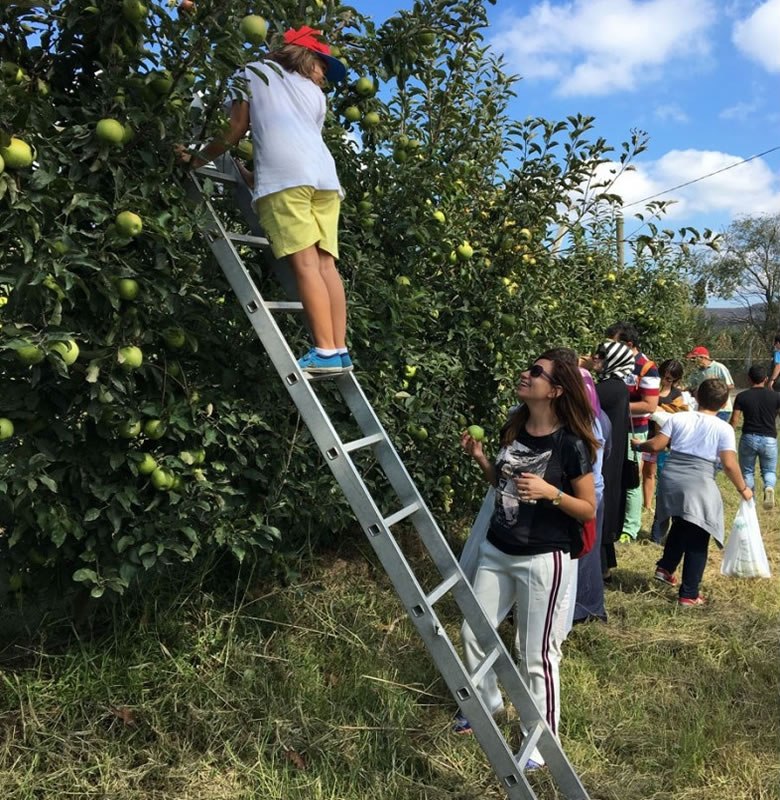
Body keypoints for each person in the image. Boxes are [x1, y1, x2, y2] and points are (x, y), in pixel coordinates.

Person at [181, 26, 351, 374]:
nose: (322, 73)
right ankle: (339, 348)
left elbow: (237, 128)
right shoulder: (315, 95)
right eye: (320, 62)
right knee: (325, 265)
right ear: (303, 57)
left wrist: (198, 159)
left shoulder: (250, 72)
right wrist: (254, 178)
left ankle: (324, 350)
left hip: (288, 181)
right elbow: (300, 143)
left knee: (304, 264)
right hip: (325, 180)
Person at [456, 351, 597, 770]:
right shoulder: (515, 427)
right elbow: (503, 484)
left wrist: (551, 493)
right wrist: (482, 458)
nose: (525, 374)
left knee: (534, 653)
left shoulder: (570, 444)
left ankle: (539, 744)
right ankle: (488, 705)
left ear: (555, 390)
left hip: (543, 559)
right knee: (473, 630)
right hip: (498, 549)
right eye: (528, 368)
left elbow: (588, 508)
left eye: (536, 372)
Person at [633, 379, 752, 606]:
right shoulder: (723, 428)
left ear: (697, 397)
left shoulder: (678, 418)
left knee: (682, 522)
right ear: (725, 402)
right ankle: (689, 593)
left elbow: (657, 445)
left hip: (671, 479)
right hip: (698, 481)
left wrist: (639, 445)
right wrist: (743, 489)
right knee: (699, 534)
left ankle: (665, 567)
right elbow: (728, 463)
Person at [605, 322, 660, 542]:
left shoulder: (647, 368)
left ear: (628, 345)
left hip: (633, 431)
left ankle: (630, 528)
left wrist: (614, 404)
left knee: (631, 477)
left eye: (614, 344)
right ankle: (613, 523)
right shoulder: (611, 364)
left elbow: (649, 405)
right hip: (610, 428)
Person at [592, 340, 633, 579]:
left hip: (606, 456)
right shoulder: (616, 386)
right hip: (612, 453)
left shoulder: (609, 389)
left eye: (601, 354)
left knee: (601, 505)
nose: (595, 357)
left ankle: (601, 567)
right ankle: (604, 565)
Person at [648, 359, 689, 543]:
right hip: (646, 440)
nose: (666, 381)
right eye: (663, 377)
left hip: (667, 447)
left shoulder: (677, 396)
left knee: (664, 489)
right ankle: (648, 508)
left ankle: (659, 534)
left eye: (670, 379)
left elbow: (680, 417)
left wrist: (657, 410)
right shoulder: (649, 390)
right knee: (647, 475)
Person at [730, 364, 780, 509]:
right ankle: (769, 487)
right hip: (769, 438)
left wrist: (729, 432)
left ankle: (750, 499)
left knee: (747, 471)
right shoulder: (776, 396)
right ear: (765, 379)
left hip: (748, 437)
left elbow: (735, 419)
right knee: (769, 470)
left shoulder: (742, 396)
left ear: (749, 379)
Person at [686, 346, 734, 421]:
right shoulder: (696, 372)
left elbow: (730, 385)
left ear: (703, 357)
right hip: (705, 408)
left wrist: (717, 392)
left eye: (694, 359)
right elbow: (691, 386)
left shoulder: (719, 367)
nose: (693, 361)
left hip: (721, 409)